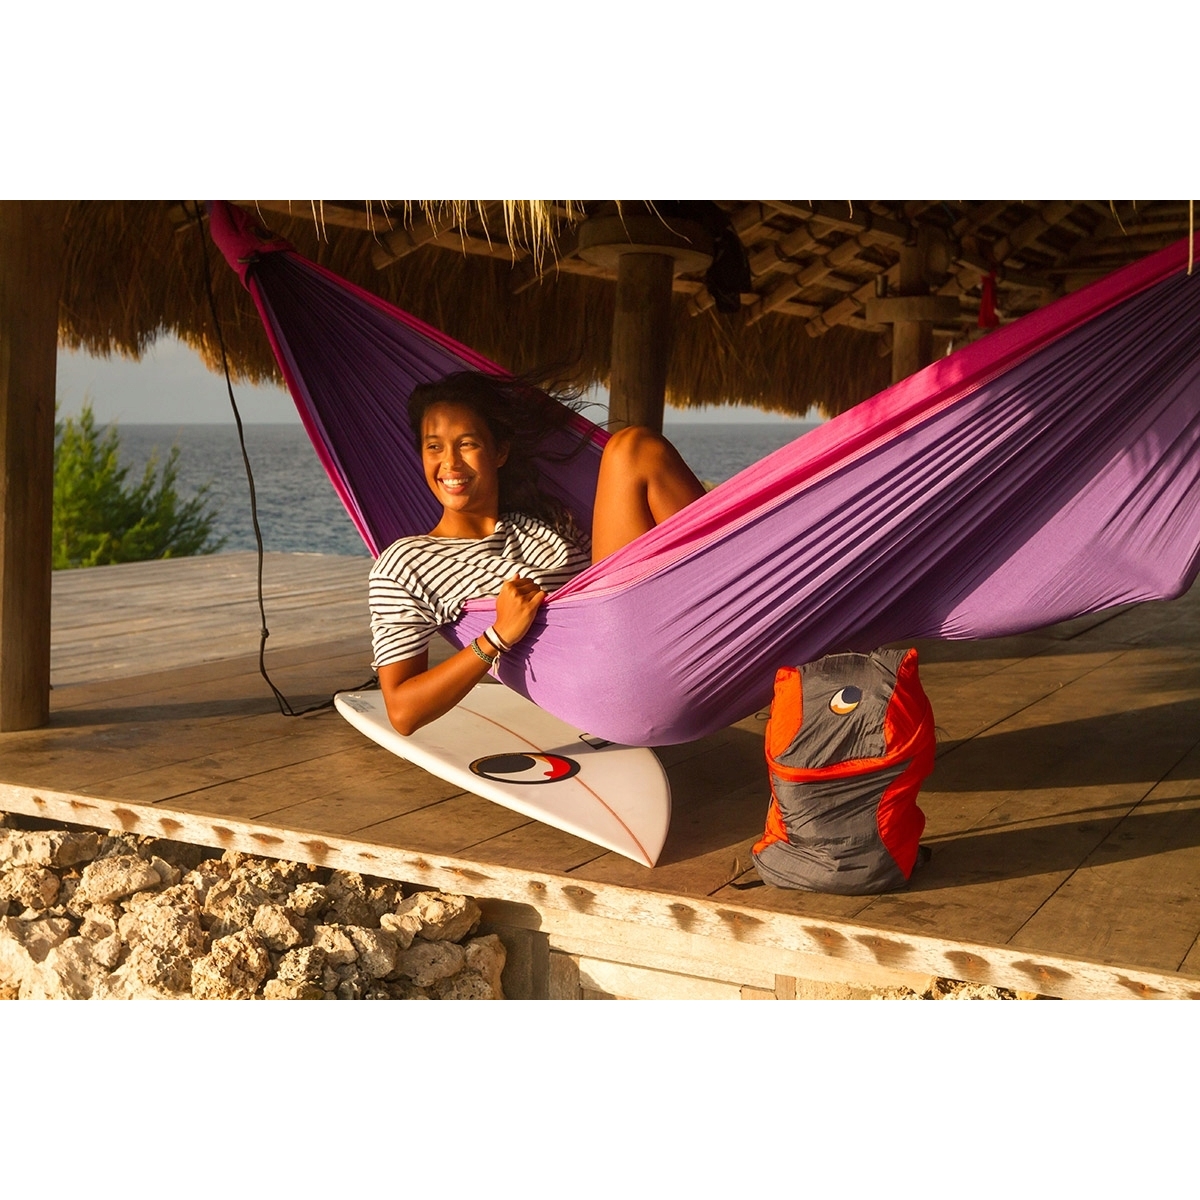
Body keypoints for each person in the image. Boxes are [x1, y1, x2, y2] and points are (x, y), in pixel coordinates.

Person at [370, 371, 707, 735]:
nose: (450, 463)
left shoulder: (545, 523)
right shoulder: (406, 564)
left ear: (500, 451)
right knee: (632, 449)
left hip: (648, 640)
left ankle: (729, 591)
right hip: (603, 683)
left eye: (467, 444)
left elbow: (611, 573)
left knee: (638, 448)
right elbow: (402, 712)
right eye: (434, 447)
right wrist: (496, 636)